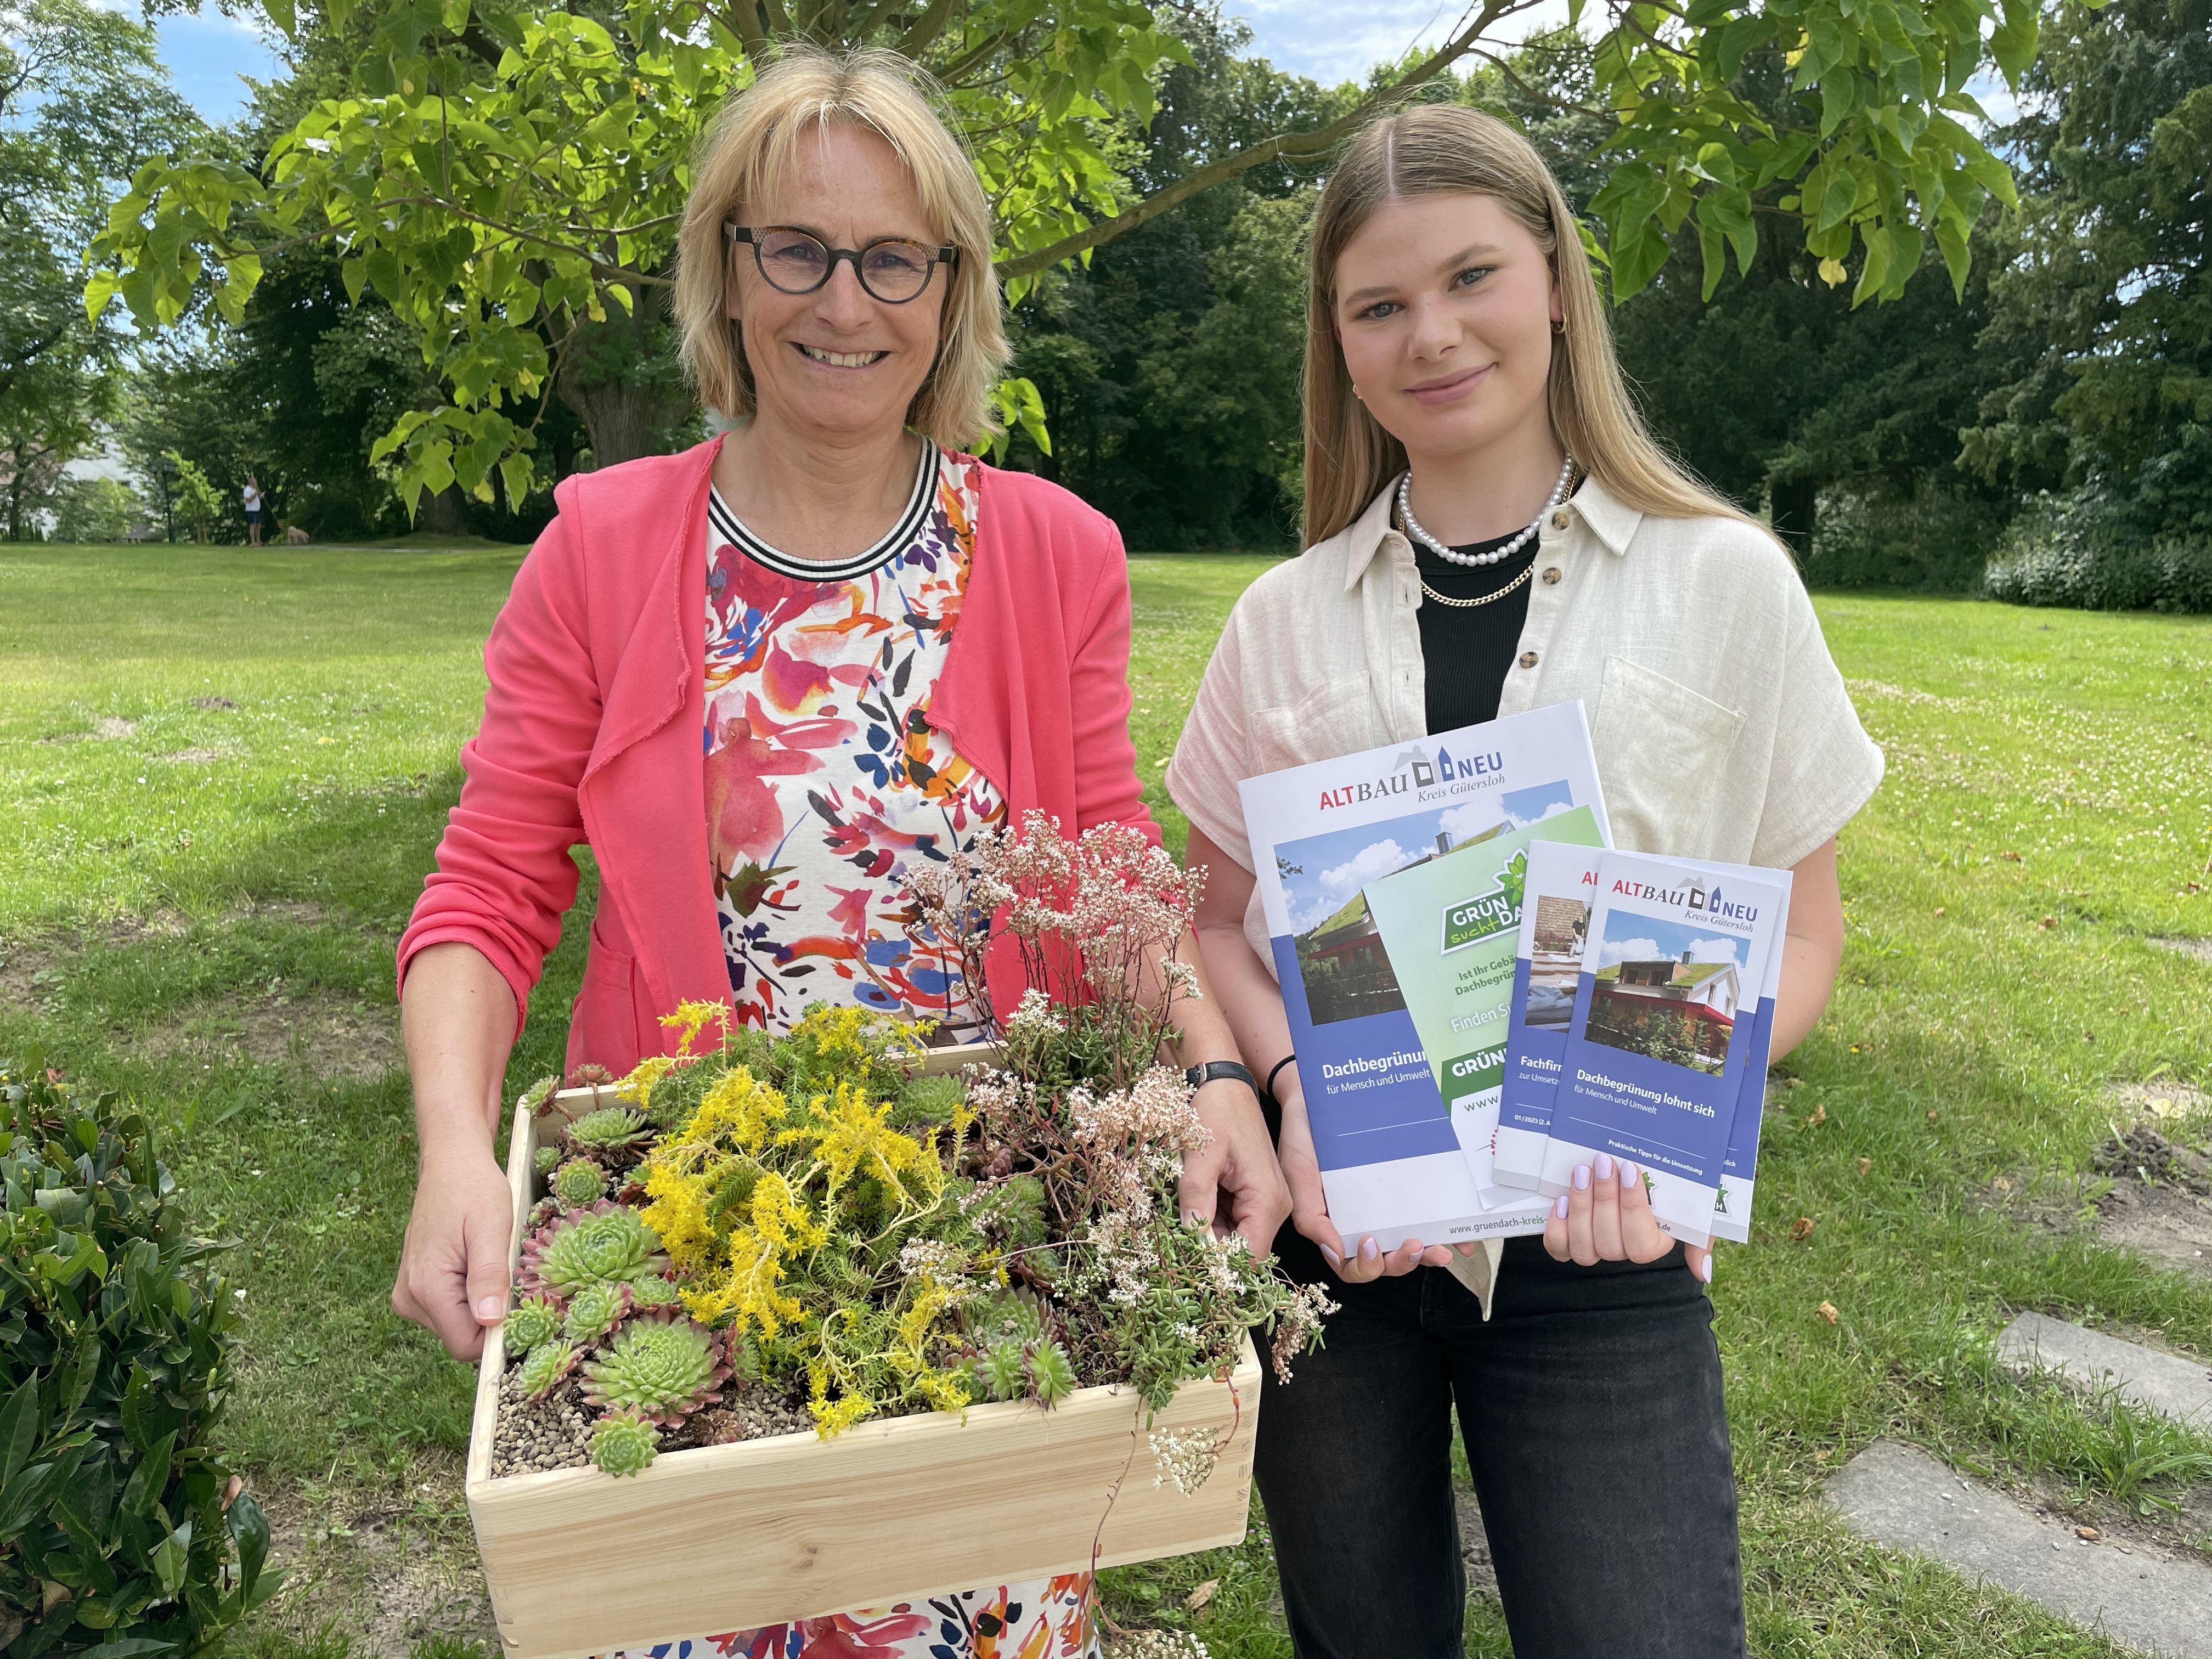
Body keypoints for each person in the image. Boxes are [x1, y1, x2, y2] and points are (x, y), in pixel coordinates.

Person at [389, 46, 1287, 1659]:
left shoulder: (1052, 553)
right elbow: (489, 884)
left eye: (894, 259)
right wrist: (460, 1144)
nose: (842, 302)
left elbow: (1107, 863)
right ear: (726, 272)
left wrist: (1215, 1078)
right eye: (794, 248)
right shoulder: (601, 546)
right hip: (685, 1246)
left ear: (950, 291)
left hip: (978, 1260)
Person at [1166, 106, 1882, 1659]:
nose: (1433, 333)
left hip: (1601, 1236)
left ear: (1554, 279)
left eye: (1472, 274)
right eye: (1379, 305)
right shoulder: (1280, 622)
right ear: (1340, 345)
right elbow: (1211, 917)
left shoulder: (1727, 583)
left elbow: (1806, 935)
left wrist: (1655, 1101)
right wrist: (1294, 1089)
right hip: (1338, 1250)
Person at [241, 475, 264, 546]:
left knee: (259, 525)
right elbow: (248, 500)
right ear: (251, 483)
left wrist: (260, 496)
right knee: (253, 525)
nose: (256, 484)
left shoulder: (254, 490)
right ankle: (253, 542)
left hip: (257, 510)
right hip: (251, 510)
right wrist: (255, 495)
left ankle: (258, 541)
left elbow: (256, 498)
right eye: (255, 483)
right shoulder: (247, 490)